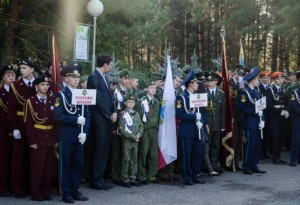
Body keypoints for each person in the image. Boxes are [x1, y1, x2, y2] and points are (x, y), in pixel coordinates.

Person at [54, 63, 90, 203]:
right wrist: (76, 120)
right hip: (67, 135)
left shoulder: (82, 93)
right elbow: (58, 116)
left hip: (79, 136)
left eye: (78, 77)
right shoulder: (61, 95)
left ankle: (75, 190)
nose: (76, 79)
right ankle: (66, 193)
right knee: (66, 164)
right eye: (73, 77)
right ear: (66, 79)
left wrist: (85, 132)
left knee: (78, 164)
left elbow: (87, 115)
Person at [24, 76, 57, 201]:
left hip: (50, 137)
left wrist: (55, 140)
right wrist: (32, 141)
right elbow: (28, 123)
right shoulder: (30, 101)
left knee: (48, 169)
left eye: (47, 85)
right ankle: (35, 192)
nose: (45, 87)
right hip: (38, 138)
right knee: (37, 168)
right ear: (36, 86)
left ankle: (46, 192)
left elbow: (56, 123)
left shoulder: (52, 100)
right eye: (42, 84)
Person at [87, 54, 117, 190]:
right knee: (99, 150)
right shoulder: (93, 77)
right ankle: (95, 180)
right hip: (99, 120)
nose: (110, 67)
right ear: (105, 64)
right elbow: (97, 100)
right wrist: (109, 114)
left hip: (107, 119)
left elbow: (110, 97)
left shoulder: (104, 77)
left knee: (104, 150)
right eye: (110, 64)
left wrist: (115, 111)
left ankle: (101, 178)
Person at [8, 59, 37, 198]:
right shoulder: (15, 85)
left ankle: (32, 187)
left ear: (32, 69)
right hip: (20, 123)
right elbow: (11, 109)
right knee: (18, 158)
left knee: (34, 158)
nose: (21, 70)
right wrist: (14, 128)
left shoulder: (39, 83)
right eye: (21, 68)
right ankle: (18, 188)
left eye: (24, 68)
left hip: (36, 125)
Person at [176, 70, 206, 185]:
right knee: (187, 154)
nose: (198, 85)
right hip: (186, 130)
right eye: (196, 83)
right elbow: (179, 114)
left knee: (197, 153)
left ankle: (195, 175)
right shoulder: (181, 98)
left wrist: (202, 122)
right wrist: (194, 117)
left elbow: (203, 113)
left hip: (197, 130)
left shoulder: (198, 96)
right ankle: (187, 176)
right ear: (190, 84)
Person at [238, 67, 266, 175]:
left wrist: (262, 119)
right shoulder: (244, 92)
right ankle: (246, 166)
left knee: (257, 145)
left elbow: (261, 106)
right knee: (250, 145)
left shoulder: (256, 91)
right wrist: (255, 111)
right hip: (250, 122)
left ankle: (254, 164)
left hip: (258, 122)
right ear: (252, 80)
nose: (258, 81)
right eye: (257, 79)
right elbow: (242, 108)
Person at [137, 79, 160, 184]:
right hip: (145, 129)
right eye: (151, 88)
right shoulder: (142, 101)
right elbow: (138, 116)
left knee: (153, 153)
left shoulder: (157, 101)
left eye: (155, 88)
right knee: (143, 153)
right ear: (147, 89)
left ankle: (152, 176)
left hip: (154, 129)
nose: (153, 90)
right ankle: (142, 176)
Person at [118, 94, 144, 187]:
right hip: (127, 140)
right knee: (126, 159)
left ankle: (132, 177)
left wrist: (138, 135)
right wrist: (133, 137)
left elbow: (141, 126)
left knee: (134, 159)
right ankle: (125, 179)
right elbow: (121, 129)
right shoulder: (122, 114)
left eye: (132, 102)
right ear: (125, 103)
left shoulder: (136, 113)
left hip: (136, 140)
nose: (131, 104)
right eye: (129, 102)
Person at [266, 71, 289, 164]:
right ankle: (275, 157)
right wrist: (280, 112)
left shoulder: (284, 90)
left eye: (281, 78)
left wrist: (287, 110)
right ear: (274, 80)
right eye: (278, 79)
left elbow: (287, 103)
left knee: (281, 137)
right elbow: (269, 105)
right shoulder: (270, 90)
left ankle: (279, 156)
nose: (280, 80)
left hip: (283, 117)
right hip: (274, 117)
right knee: (275, 137)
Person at [204, 71, 225, 174]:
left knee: (215, 146)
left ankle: (214, 164)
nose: (209, 82)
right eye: (208, 80)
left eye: (211, 80)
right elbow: (203, 110)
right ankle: (206, 166)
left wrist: (222, 125)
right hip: (207, 124)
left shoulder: (221, 93)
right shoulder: (203, 93)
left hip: (217, 124)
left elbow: (223, 110)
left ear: (216, 81)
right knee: (206, 146)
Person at [111, 69, 130, 185]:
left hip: (128, 125)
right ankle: (115, 176)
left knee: (125, 151)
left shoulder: (129, 90)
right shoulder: (114, 91)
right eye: (124, 78)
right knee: (116, 151)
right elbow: (112, 108)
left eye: (128, 78)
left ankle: (125, 175)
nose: (127, 80)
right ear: (120, 79)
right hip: (117, 124)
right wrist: (113, 127)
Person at [0, 65, 16, 197]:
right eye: (8, 75)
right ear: (3, 78)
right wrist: (11, 129)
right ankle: (1, 186)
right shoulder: (1, 93)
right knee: (3, 161)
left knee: (13, 160)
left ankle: (11, 185)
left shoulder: (16, 91)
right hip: (3, 132)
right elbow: (2, 115)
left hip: (16, 130)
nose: (11, 77)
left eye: (13, 75)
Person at [229, 68, 244, 171]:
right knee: (234, 139)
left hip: (241, 116)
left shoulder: (243, 83)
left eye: (242, 74)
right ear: (235, 73)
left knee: (239, 140)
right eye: (239, 74)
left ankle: (237, 162)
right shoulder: (229, 83)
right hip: (232, 115)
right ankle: (231, 163)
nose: (240, 76)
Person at [289, 71, 300, 166]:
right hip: (297, 119)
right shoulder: (295, 92)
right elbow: (294, 107)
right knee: (296, 139)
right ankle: (293, 159)